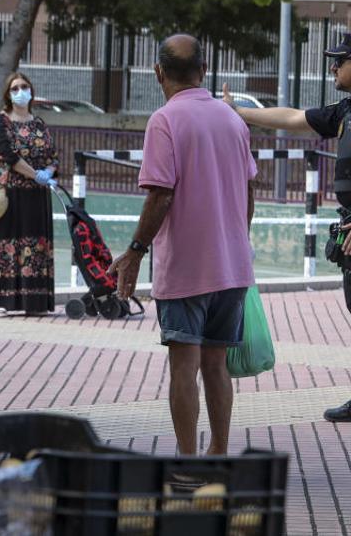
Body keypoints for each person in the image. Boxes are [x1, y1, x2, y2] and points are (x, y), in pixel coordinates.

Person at [110, 34, 255, 456]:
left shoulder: (165, 120)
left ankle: (189, 458)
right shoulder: (233, 119)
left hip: (187, 268)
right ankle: (220, 454)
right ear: (205, 72)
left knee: (184, 366)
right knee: (217, 366)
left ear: (159, 72)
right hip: (232, 267)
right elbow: (250, 188)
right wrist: (236, 239)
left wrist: (135, 252)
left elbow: (161, 194)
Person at [224, 32, 351, 424]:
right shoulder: (345, 110)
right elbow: (295, 117)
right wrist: (239, 112)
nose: (333, 66)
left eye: (340, 60)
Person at [0, 72, 59, 317]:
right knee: (5, 245)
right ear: (8, 95)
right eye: (15, 88)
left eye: (24, 86)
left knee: (35, 245)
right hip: (7, 195)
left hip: (36, 197)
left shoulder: (39, 123)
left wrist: (49, 171)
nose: (21, 91)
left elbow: (53, 156)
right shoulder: (1, 122)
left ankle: (35, 302)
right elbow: (8, 155)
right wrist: (35, 174)